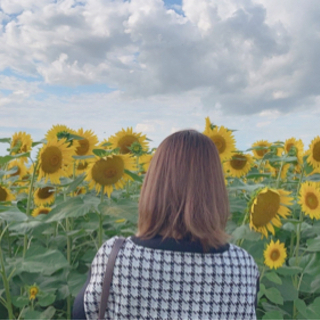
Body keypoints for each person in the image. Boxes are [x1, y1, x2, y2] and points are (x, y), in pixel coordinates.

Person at [72, 129, 260, 320]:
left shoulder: (115, 257)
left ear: (153, 185)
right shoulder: (242, 267)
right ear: (216, 191)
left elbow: (81, 314)